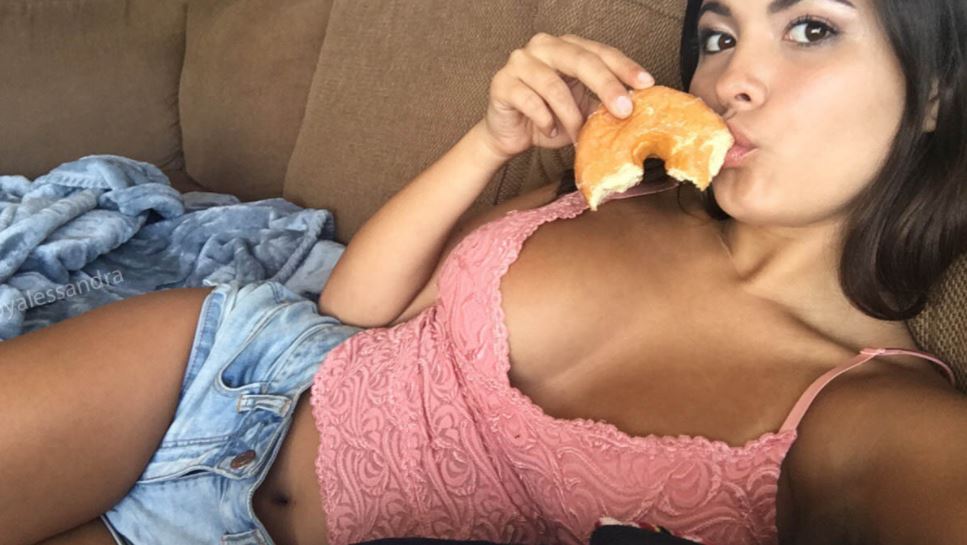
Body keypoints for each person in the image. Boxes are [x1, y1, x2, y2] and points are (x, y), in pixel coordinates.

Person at [3, 0, 966, 543]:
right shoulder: (615, 191)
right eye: (719, 36)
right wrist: (489, 141)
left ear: (934, 89)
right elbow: (351, 309)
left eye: (809, 27)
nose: (729, 81)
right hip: (215, 369)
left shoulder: (869, 415)